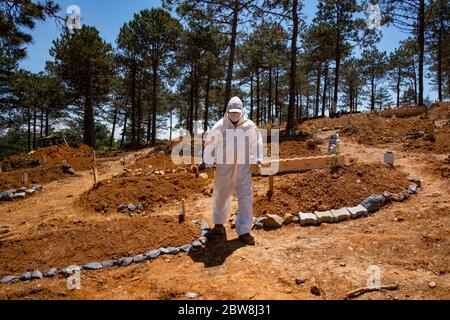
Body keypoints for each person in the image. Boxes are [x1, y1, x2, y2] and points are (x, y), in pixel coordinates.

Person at [203, 97, 263, 245]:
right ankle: (218, 224)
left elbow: (257, 143)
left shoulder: (249, 126)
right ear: (227, 111)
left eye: (237, 112)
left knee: (245, 197)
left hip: (243, 168)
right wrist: (208, 162)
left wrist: (258, 159)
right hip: (225, 167)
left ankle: (244, 231)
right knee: (221, 195)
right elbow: (210, 144)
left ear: (242, 111)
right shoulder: (220, 126)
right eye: (232, 112)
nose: (235, 115)